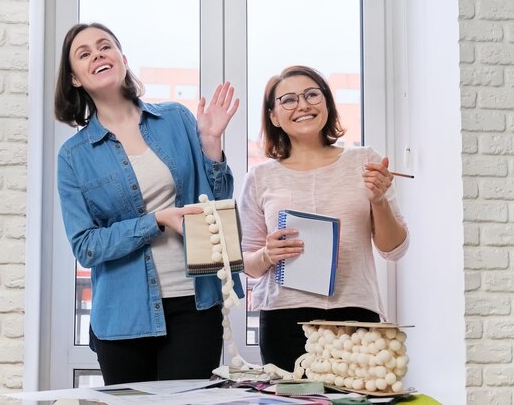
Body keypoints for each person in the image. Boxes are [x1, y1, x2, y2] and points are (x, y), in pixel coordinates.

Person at [54, 22, 244, 384]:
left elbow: (216, 204)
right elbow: (86, 247)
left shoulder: (175, 119)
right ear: (75, 78)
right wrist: (155, 221)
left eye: (105, 46)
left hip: (195, 302)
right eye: (84, 53)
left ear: (122, 59)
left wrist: (211, 145)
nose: (97, 54)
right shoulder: (73, 156)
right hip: (123, 317)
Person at [239, 65, 409, 372]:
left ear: (327, 104)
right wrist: (267, 255)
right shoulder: (260, 177)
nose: (303, 105)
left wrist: (379, 201)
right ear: (274, 116)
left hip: (355, 312)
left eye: (312, 94)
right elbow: (245, 263)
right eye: (288, 100)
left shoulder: (364, 161)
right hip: (284, 317)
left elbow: (394, 249)